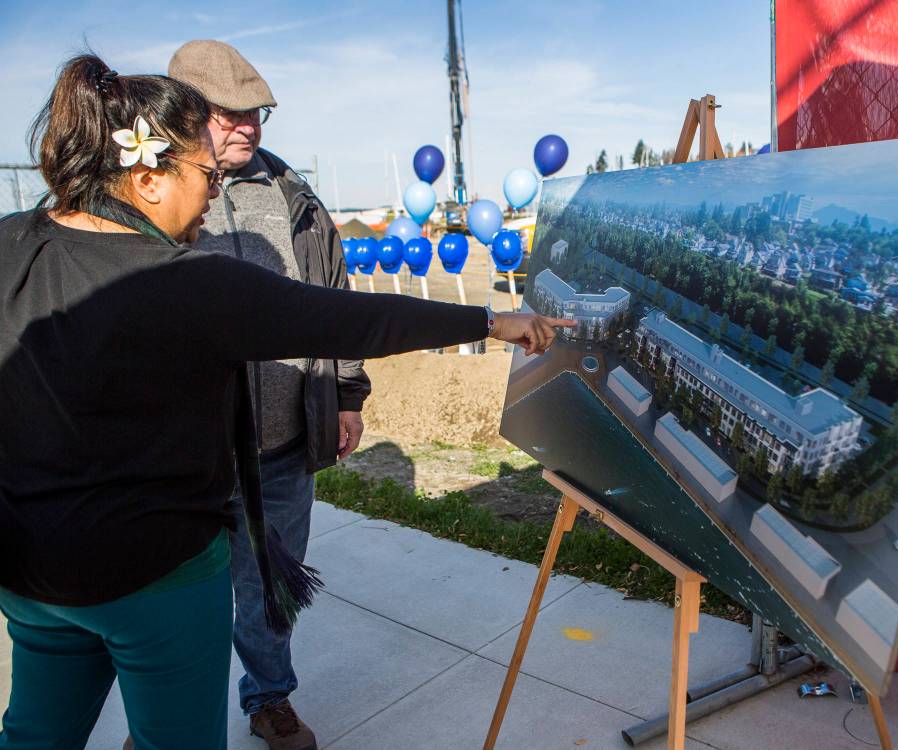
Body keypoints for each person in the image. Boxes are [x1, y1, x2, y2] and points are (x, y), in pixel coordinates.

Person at [0, 54, 571, 750]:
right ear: (147, 178)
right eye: (204, 177)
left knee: (33, 733)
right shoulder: (189, 281)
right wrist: (489, 320)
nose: (213, 194)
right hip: (158, 579)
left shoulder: (11, 244)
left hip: (32, 578)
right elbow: (348, 319)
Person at [166, 40, 366, 749]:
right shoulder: (146, 197)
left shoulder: (294, 196)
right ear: (184, 112)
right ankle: (163, 722)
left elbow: (334, 303)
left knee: (267, 596)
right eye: (230, 113)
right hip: (181, 456)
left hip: (280, 451)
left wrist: (346, 394)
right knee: (174, 604)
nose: (249, 125)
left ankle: (269, 697)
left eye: (258, 112)